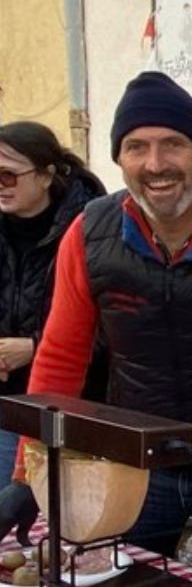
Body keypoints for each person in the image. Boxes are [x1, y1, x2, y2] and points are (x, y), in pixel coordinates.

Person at [13, 72, 192, 585]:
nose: (155, 164)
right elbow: (62, 356)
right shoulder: (89, 232)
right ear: (119, 160)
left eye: (173, 144)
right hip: (132, 465)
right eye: (136, 147)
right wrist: (31, 473)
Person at [0, 122, 106, 483]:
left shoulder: (91, 230)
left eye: (8, 176)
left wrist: (32, 346)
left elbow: (111, 326)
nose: (1, 186)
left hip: (71, 409)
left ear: (45, 176)